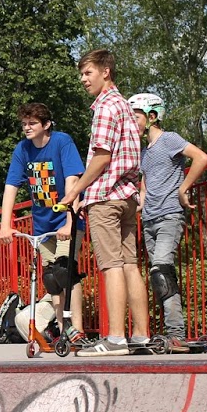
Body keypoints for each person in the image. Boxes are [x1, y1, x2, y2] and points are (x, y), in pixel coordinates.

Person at [58, 49, 150, 355]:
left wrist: (76, 191)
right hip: (127, 195)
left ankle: (115, 338)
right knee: (130, 266)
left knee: (110, 266)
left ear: (105, 71)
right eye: (82, 74)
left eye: (88, 73)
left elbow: (101, 156)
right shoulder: (125, 105)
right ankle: (140, 335)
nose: (84, 80)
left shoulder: (105, 107)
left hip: (105, 197)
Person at [0, 102, 85, 345]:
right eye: (24, 124)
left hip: (67, 218)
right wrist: (5, 224)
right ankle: (62, 328)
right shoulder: (23, 149)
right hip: (43, 225)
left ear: (46, 125)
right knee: (51, 279)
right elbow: (11, 186)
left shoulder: (61, 142)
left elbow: (73, 181)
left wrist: (70, 221)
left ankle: (77, 328)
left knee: (65, 272)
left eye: (32, 123)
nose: (27, 128)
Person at [129, 92, 207, 353]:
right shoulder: (143, 152)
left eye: (136, 117)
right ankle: (176, 334)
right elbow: (145, 183)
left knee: (160, 270)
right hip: (149, 219)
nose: (132, 122)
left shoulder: (170, 139)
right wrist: (139, 203)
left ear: (152, 116)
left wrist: (183, 188)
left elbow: (202, 158)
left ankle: (176, 333)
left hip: (170, 215)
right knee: (162, 277)